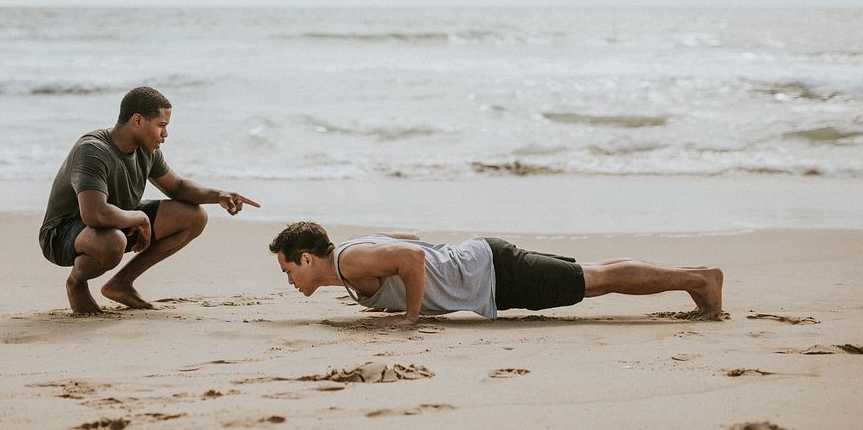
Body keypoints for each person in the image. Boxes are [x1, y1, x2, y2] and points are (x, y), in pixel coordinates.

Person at [39, 86, 260, 315]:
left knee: (194, 216)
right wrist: (141, 218)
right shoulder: (93, 150)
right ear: (137, 120)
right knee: (113, 240)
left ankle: (121, 283)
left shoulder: (146, 150)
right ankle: (76, 283)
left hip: (116, 222)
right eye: (161, 126)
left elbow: (178, 187)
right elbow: (94, 214)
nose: (165, 134)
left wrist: (219, 195)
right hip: (63, 233)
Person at [269, 222, 724, 327]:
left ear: (307, 259)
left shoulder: (349, 262)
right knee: (593, 274)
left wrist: (410, 318)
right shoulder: (352, 259)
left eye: (287, 268)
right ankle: (698, 276)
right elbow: (407, 239)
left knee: (596, 280)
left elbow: (408, 257)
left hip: (491, 274)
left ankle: (700, 282)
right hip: (487, 267)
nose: (288, 278)